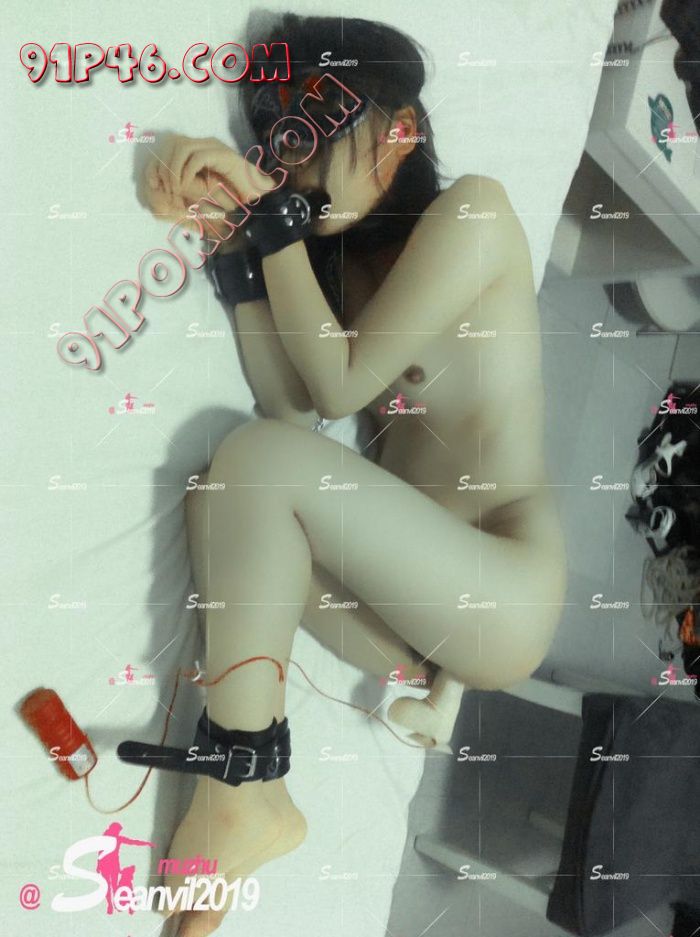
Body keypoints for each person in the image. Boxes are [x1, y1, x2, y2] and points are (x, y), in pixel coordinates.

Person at [141, 13, 567, 936]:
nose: (289, 168)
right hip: (405, 623)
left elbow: (337, 384)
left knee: (251, 471)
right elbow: (291, 408)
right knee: (220, 498)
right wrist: (232, 248)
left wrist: (267, 219)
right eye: (275, 144)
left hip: (501, 593)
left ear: (398, 130)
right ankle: (264, 795)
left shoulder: (476, 214)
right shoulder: (345, 263)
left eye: (306, 136)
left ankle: (239, 779)